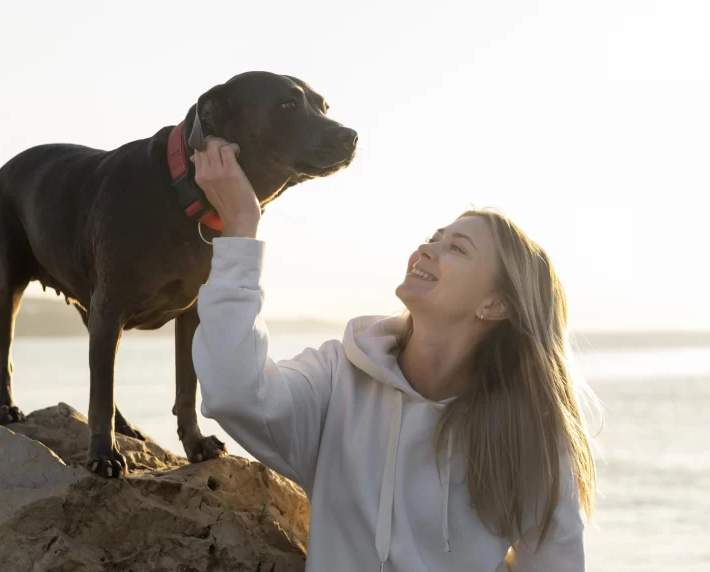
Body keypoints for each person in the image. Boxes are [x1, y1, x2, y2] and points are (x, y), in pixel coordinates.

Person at [189, 137, 598, 571]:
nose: (426, 249)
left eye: (456, 248)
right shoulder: (338, 377)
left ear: (495, 305)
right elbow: (233, 392)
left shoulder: (531, 435)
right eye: (433, 238)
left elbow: (557, 564)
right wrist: (239, 229)